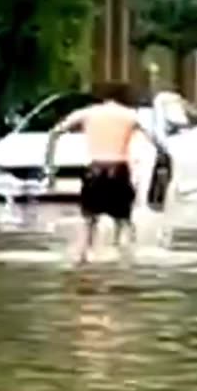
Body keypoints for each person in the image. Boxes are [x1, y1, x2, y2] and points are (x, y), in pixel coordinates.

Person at [43, 82, 169, 264]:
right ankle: (123, 260)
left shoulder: (87, 113)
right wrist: (163, 161)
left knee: (89, 222)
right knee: (123, 222)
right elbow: (157, 142)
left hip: (94, 170)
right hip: (119, 171)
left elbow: (55, 132)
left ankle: (84, 258)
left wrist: (49, 164)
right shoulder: (130, 116)